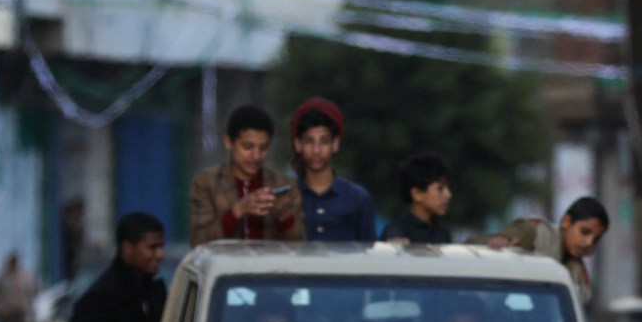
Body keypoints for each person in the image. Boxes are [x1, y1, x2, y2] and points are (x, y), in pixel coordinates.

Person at [188, 104, 305, 245]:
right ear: (229, 142)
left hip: (270, 266)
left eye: (263, 148)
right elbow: (197, 242)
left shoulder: (284, 184)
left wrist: (283, 216)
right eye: (248, 147)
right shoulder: (206, 182)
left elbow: (301, 244)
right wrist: (239, 210)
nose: (256, 156)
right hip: (225, 267)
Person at [477, 197, 610, 300]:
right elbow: (477, 248)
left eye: (596, 239)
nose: (588, 242)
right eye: (585, 232)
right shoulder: (534, 233)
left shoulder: (579, 274)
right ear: (566, 222)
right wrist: (503, 241)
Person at [290, 97, 377, 243]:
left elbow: (369, 255)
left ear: (335, 144)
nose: (316, 150)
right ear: (298, 144)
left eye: (324, 142)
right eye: (309, 141)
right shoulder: (287, 197)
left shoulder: (357, 198)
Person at [383, 154, 453, 244]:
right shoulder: (396, 232)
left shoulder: (442, 231)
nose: (448, 195)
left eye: (448, 188)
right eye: (440, 189)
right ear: (417, 194)